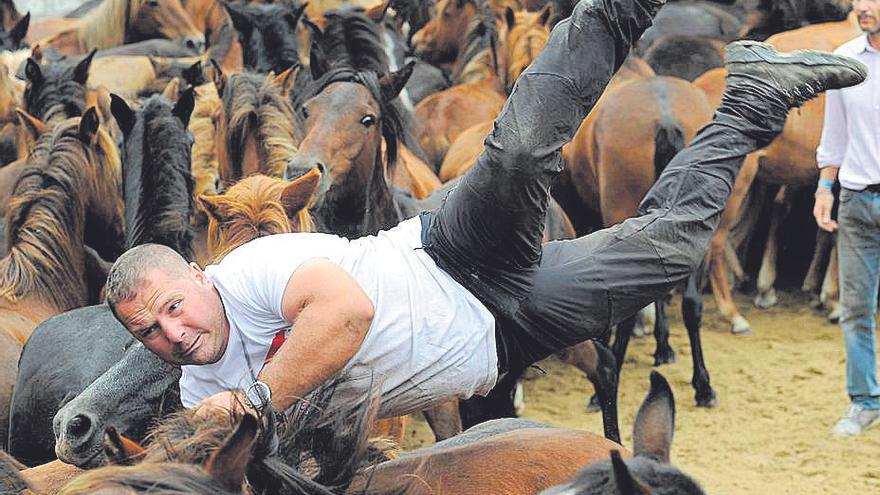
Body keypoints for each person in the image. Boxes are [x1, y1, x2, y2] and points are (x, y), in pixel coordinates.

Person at [105, 0, 866, 420]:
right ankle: (754, 99)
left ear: (201, 275)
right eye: (151, 331)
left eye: (173, 306)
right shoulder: (204, 393)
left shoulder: (248, 273)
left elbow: (344, 315)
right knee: (667, 255)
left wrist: (257, 399)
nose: (173, 332)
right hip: (505, 333)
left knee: (521, 148)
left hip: (449, 251)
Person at [814, 0, 880, 438]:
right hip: (856, 201)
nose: (862, 7)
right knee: (856, 308)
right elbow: (834, 133)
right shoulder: (845, 60)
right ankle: (864, 402)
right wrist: (825, 188)